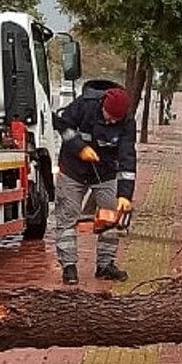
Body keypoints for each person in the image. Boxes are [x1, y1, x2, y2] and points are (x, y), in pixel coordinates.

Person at [51, 83, 136, 285]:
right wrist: (79, 147)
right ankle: (69, 267)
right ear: (103, 105)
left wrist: (125, 195)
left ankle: (105, 265)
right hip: (73, 170)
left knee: (112, 217)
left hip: (105, 173)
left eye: (116, 119)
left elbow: (127, 159)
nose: (111, 121)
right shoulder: (85, 105)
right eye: (108, 115)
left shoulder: (127, 122)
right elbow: (62, 125)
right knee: (67, 218)